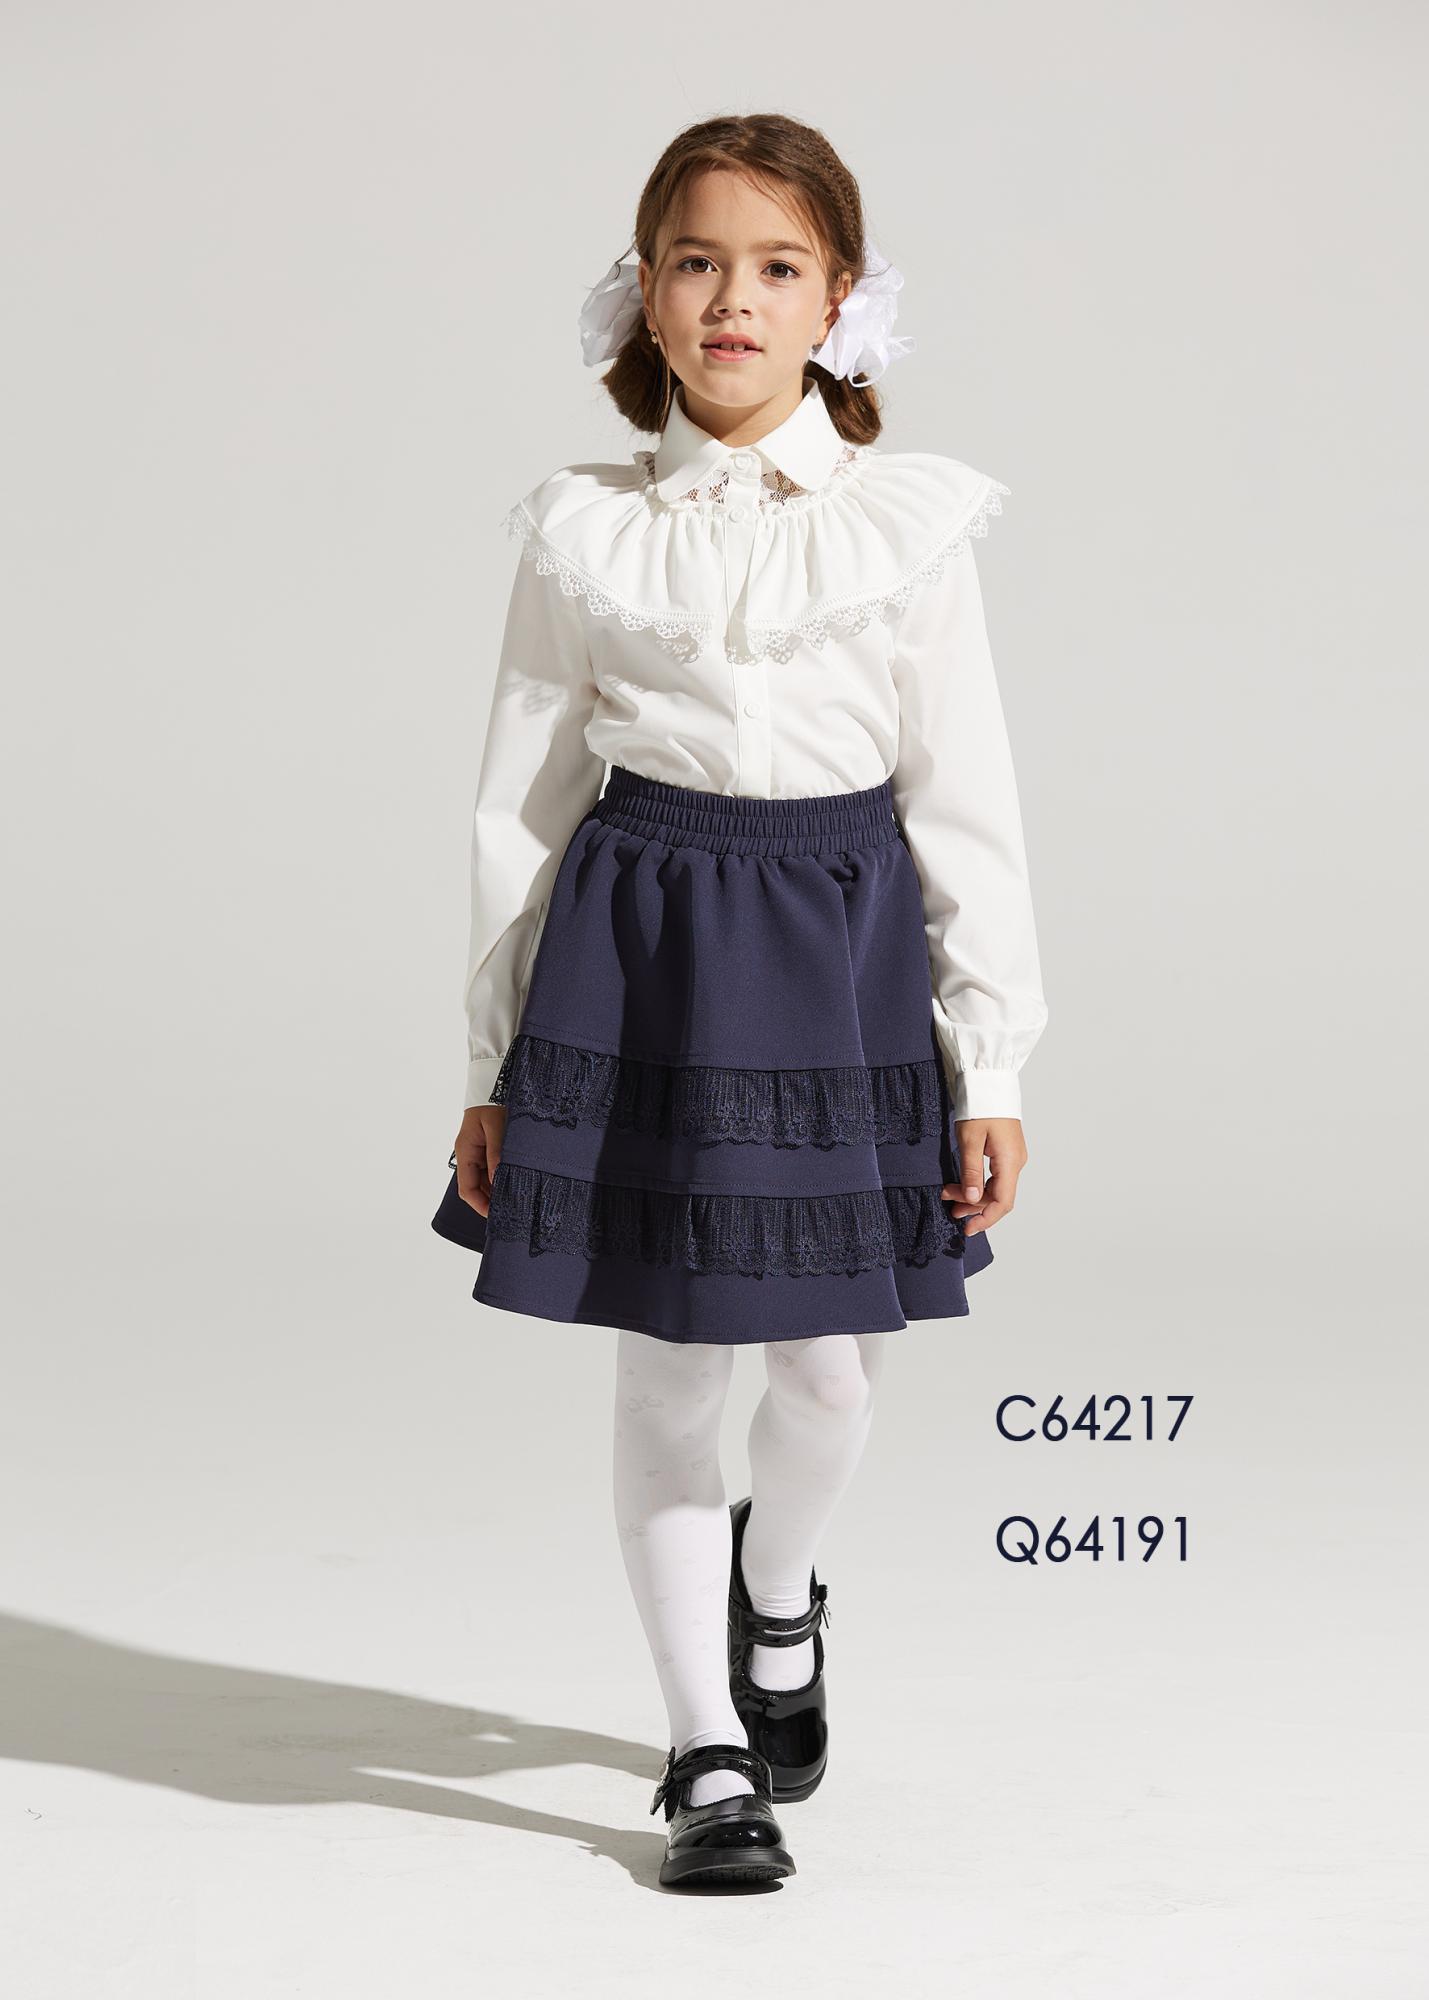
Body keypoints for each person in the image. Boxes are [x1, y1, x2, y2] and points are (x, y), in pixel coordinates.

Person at [431, 111, 1048, 1889]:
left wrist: (990, 1061)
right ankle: (704, 1748)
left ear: (837, 301)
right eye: (697, 263)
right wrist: (489, 1060)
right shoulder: (583, 531)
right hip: (641, 953)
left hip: (840, 955)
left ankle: (778, 1592)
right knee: (669, 1365)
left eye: (776, 267)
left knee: (828, 1378)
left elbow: (965, 801)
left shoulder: (908, 526)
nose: (732, 300)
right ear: (644, 292)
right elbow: (516, 809)